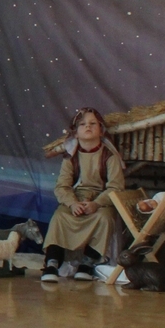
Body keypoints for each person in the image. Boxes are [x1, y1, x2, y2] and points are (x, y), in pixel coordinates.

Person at [42, 108, 125, 282]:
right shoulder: (70, 157)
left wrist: (96, 203)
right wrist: (72, 203)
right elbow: (62, 186)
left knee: (104, 218)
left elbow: (116, 187)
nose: (88, 127)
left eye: (93, 123)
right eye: (83, 124)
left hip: (100, 201)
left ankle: (87, 263)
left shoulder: (109, 157)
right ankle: (52, 262)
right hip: (76, 198)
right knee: (60, 217)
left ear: (101, 130)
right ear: (76, 132)